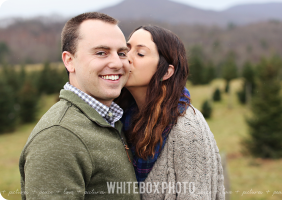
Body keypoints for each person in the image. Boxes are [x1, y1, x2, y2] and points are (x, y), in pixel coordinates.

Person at [19, 12, 140, 200]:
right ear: (69, 61)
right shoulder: (58, 136)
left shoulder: (111, 119)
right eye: (101, 53)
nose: (117, 63)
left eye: (122, 53)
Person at [115, 25, 225, 199]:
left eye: (140, 53)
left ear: (166, 72)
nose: (126, 59)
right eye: (125, 51)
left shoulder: (186, 129)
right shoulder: (122, 118)